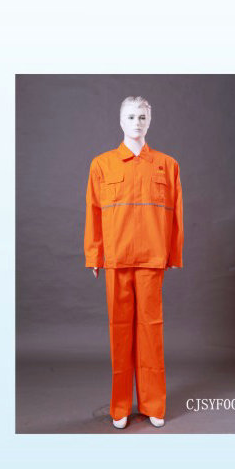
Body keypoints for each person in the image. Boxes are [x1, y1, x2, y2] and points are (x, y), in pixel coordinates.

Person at [84, 96, 183, 429]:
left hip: (152, 259)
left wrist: (173, 253)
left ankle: (154, 404)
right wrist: (94, 254)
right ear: (120, 120)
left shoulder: (167, 165)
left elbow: (176, 213)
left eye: (142, 117)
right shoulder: (102, 165)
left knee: (151, 332)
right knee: (120, 332)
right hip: (117, 258)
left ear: (149, 121)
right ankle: (121, 407)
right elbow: (93, 213)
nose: (137, 122)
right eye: (131, 116)